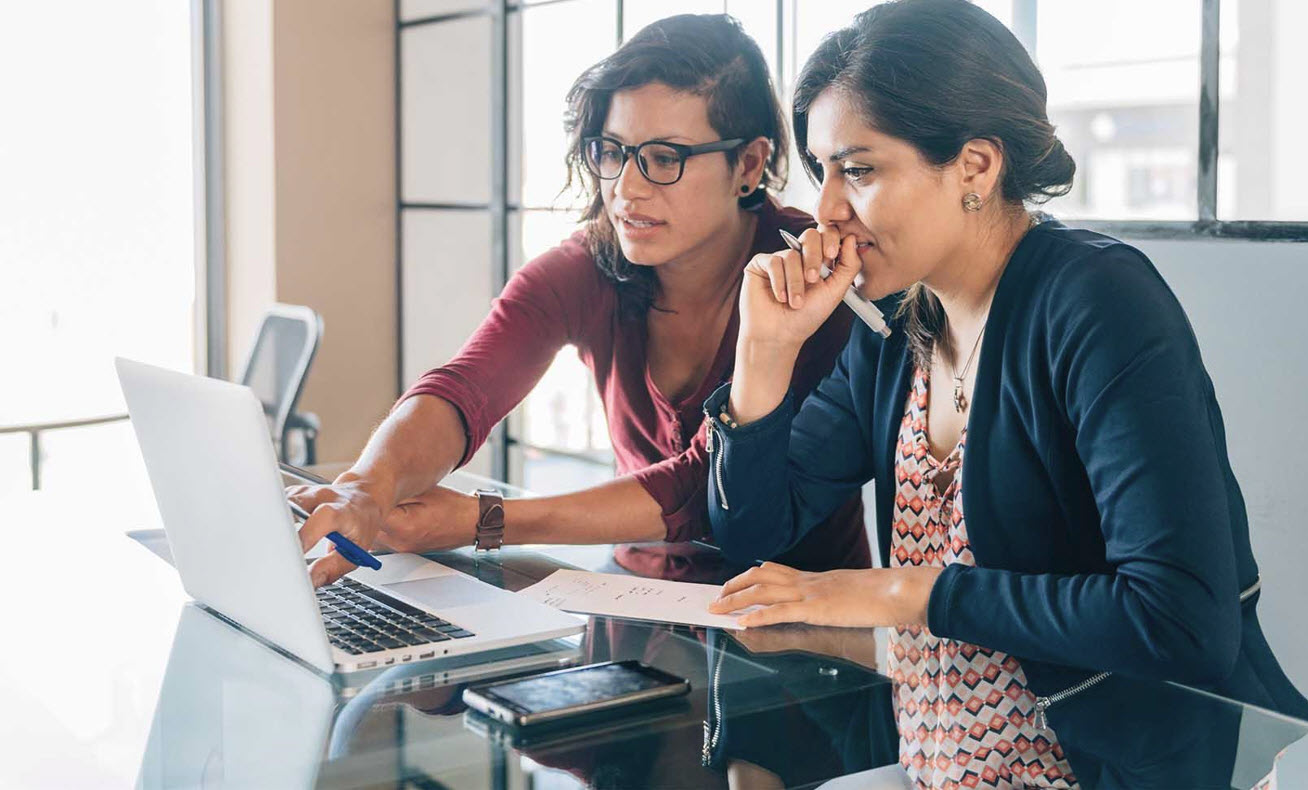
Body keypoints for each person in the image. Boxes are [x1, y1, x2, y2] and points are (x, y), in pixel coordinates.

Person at [701, 0, 1308, 786]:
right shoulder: (896, 324)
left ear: (976, 168)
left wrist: (902, 592)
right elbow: (751, 528)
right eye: (821, 171)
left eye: (860, 169)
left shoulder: (1096, 302)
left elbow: (1180, 621)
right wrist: (764, 354)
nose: (825, 211)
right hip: (934, 768)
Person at [289, 13, 870, 590]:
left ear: (747, 165)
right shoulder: (593, 262)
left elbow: (701, 489)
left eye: (665, 158)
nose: (626, 188)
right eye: (612, 151)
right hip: (632, 592)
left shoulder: (812, 277)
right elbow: (466, 385)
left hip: (798, 623)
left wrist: (483, 519)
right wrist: (368, 486)